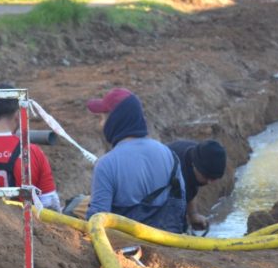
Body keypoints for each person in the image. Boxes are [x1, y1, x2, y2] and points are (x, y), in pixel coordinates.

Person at [86, 88, 186, 232]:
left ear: (115, 120)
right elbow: (180, 203)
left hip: (125, 249)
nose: (100, 125)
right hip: (169, 243)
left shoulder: (106, 165)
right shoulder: (170, 155)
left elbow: (96, 221)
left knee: (75, 206)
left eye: (102, 118)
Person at [167, 139, 226, 232]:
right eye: (206, 177)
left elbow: (192, 187)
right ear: (194, 166)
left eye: (213, 179)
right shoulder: (175, 169)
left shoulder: (201, 155)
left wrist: (193, 214)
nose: (209, 182)